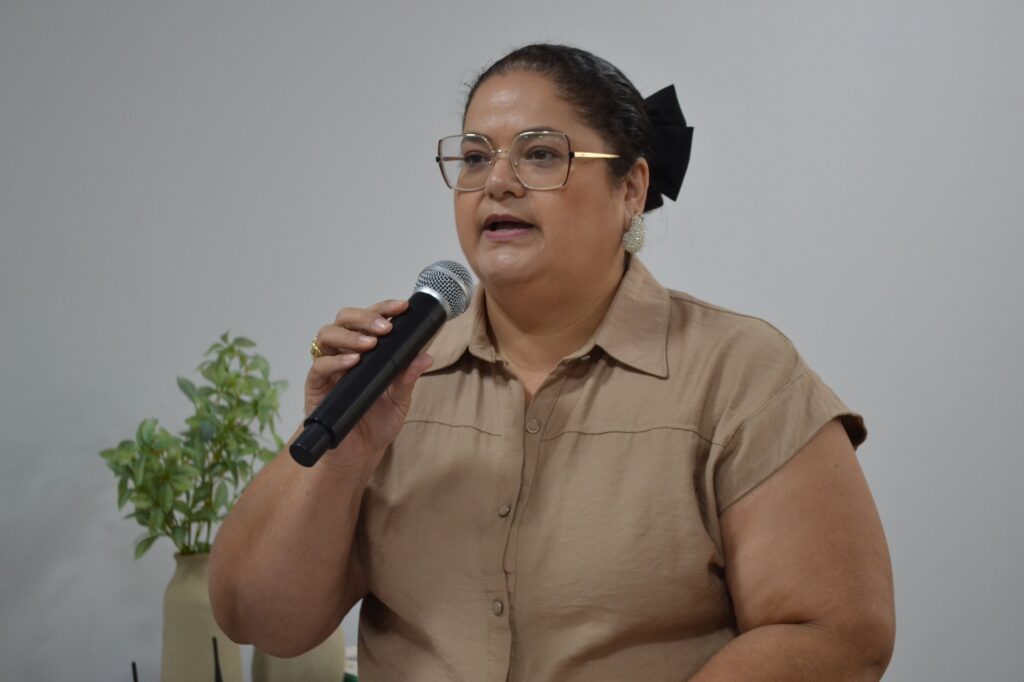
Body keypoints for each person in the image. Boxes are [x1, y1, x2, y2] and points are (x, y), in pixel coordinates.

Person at [209, 43, 895, 680]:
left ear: (630, 189)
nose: (496, 182)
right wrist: (343, 458)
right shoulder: (393, 377)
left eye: (539, 154)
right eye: (474, 158)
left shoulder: (739, 372)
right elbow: (260, 621)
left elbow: (837, 632)